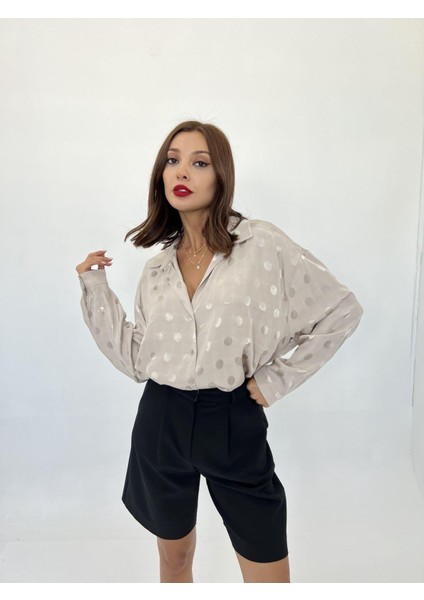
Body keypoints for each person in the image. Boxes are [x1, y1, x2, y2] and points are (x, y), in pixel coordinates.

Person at [76, 120, 364, 583]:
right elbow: (136, 360)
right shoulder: (157, 270)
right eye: (173, 160)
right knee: (174, 559)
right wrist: (95, 289)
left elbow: (341, 310)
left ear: (221, 175)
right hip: (161, 421)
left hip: (232, 419)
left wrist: (276, 380)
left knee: (268, 573)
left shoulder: (261, 244)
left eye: (199, 162)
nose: (181, 172)